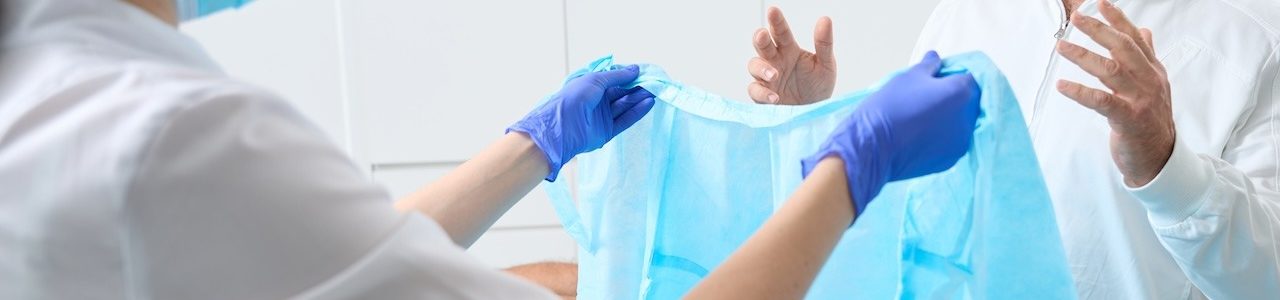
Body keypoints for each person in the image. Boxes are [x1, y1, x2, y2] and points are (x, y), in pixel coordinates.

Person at [0, 0, 979, 299]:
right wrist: (853, 165)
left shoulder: (45, 91)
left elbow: (333, 269)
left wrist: (534, 145)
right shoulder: (176, 135)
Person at [747, 0, 1280, 298]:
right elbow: (915, 222)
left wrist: (1168, 163)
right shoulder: (968, 13)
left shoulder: (1265, 44)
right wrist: (817, 126)